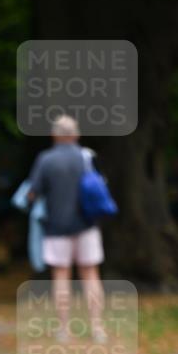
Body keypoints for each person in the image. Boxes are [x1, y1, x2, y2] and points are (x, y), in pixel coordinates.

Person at [28, 115, 107, 342]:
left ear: (54, 135)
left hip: (56, 228)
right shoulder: (87, 157)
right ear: (76, 134)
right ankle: (97, 328)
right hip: (87, 225)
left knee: (61, 277)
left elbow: (32, 193)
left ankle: (64, 329)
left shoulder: (46, 159)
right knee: (91, 275)